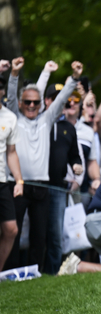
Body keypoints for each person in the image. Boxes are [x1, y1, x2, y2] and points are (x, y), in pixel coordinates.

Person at [4, 57, 82, 271]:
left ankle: (35, 273)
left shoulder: (46, 120)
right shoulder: (15, 118)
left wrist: (74, 78)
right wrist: (14, 74)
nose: (31, 106)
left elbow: (62, 98)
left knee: (40, 234)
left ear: (41, 104)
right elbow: (11, 96)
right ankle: (10, 272)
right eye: (27, 102)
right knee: (14, 231)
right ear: (21, 104)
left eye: (36, 103)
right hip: (17, 184)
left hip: (41, 185)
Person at [44, 83, 84, 274]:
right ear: (47, 100)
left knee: (55, 233)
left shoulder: (68, 127)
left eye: (63, 99)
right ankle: (30, 270)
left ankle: (52, 272)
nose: (60, 103)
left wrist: (77, 165)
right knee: (36, 231)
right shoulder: (40, 123)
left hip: (59, 188)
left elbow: (74, 155)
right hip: (36, 186)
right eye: (55, 98)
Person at [0, 66, 24, 271]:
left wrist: (19, 180)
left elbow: (11, 152)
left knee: (11, 229)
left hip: (2, 181)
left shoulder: (9, 117)